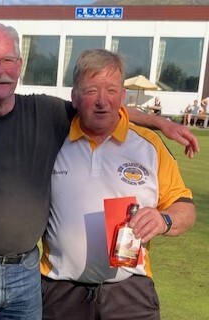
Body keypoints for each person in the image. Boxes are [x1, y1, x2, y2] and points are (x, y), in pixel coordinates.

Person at [0, 21, 199, 320]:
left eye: (7, 59)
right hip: (6, 278)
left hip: (66, 281)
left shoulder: (53, 116)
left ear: (19, 65)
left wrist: (162, 124)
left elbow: (102, 106)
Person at [40, 49, 196, 320]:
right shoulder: (49, 140)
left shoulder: (149, 146)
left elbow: (185, 208)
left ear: (122, 98)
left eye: (111, 90)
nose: (102, 101)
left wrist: (165, 220)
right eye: (90, 91)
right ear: (74, 97)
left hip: (130, 292)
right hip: (59, 292)